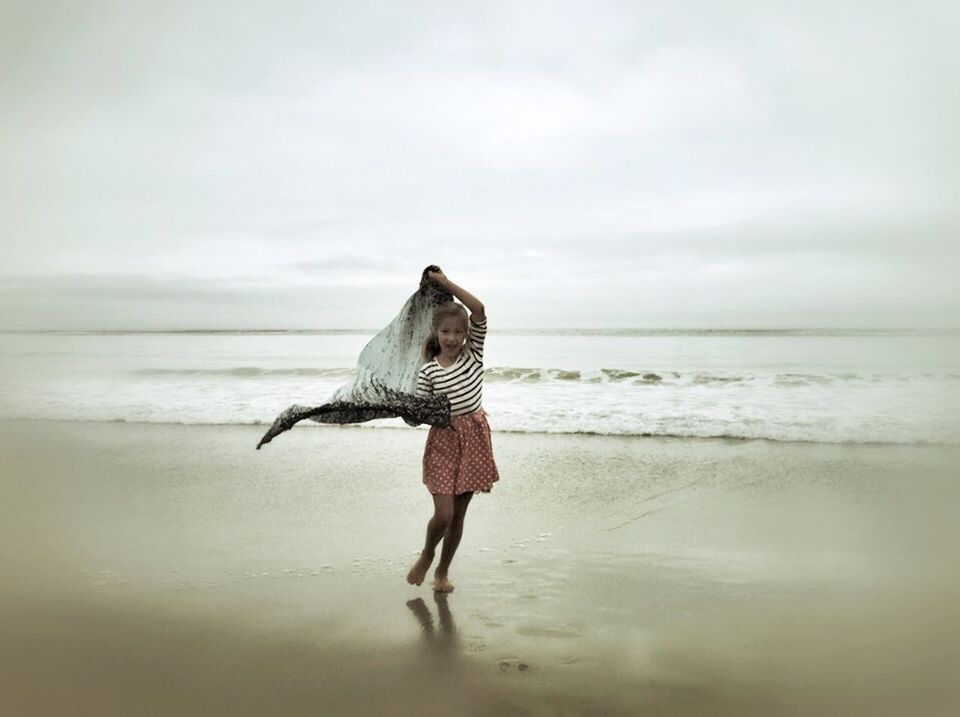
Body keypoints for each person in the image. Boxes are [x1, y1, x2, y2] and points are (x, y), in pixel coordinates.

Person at [405, 268, 500, 592]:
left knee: (459, 517)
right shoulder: (429, 371)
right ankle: (427, 554)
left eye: (458, 332)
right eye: (446, 331)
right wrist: (412, 413)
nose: (452, 338)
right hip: (444, 440)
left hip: (474, 438)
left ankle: (443, 573)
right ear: (437, 333)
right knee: (443, 515)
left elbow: (479, 310)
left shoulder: (474, 355)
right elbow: (419, 412)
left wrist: (446, 284)